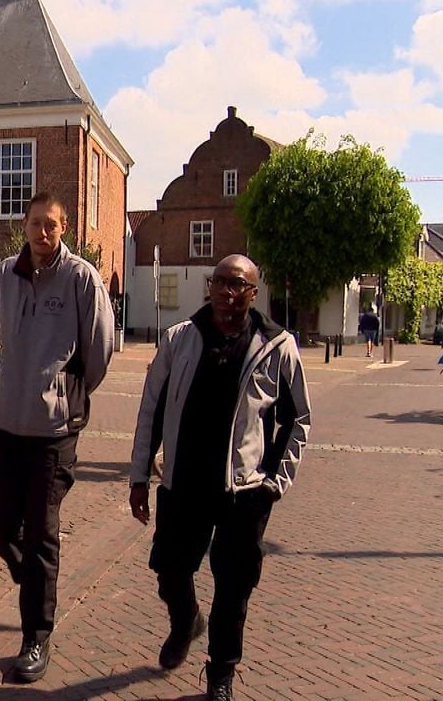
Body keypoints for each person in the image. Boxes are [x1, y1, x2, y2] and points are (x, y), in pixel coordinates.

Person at [129, 254, 312, 701]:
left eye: (239, 285)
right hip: (183, 483)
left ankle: (221, 673)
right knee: (170, 571)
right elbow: (150, 408)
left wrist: (275, 482)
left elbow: (297, 420)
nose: (228, 293)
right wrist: (139, 477)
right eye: (221, 283)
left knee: (233, 588)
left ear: (254, 292)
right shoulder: (179, 339)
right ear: (209, 287)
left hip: (243, 492)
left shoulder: (276, 345)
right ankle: (186, 620)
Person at [0, 191, 115, 683]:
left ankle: (35, 636)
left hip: (51, 432)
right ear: (25, 225)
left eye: (52, 225)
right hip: (4, 424)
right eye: (35, 224)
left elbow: (100, 348)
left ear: (65, 229)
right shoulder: (4, 275)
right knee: (3, 527)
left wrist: (67, 395)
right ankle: (34, 585)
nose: (43, 233)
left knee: (41, 531)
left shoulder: (81, 277)